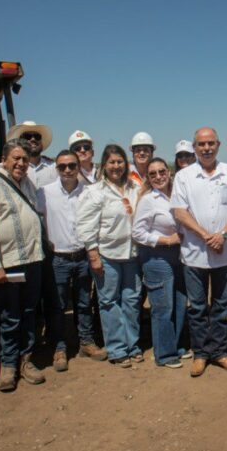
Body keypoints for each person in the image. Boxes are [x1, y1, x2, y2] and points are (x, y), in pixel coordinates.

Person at [171, 127, 227, 377]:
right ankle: (201, 354)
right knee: (197, 307)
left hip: (226, 253)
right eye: (201, 144)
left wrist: (224, 234)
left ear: (218, 144)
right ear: (194, 147)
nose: (206, 148)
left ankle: (219, 352)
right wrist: (206, 235)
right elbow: (179, 212)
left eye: (211, 143)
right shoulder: (184, 176)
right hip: (195, 254)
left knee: (221, 305)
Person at [0, 139, 48, 391]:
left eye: (24, 159)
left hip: (32, 260)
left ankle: (26, 360)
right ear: (4, 159)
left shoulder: (28, 183)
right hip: (7, 263)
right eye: (15, 158)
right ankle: (7, 365)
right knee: (10, 316)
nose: (20, 163)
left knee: (29, 313)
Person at [76, 145, 142, 366]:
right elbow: (85, 225)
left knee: (132, 301)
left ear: (126, 164)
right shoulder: (95, 191)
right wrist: (93, 254)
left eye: (120, 161)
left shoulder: (134, 187)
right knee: (109, 302)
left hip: (132, 254)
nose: (116, 166)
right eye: (112, 162)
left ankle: (133, 345)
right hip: (107, 255)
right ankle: (117, 349)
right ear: (104, 165)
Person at [42, 150, 108, 369]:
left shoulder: (89, 192)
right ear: (56, 169)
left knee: (83, 302)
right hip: (58, 258)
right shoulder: (44, 193)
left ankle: (86, 342)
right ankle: (59, 348)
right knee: (57, 305)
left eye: (72, 165)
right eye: (62, 166)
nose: (68, 170)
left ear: (79, 166)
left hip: (82, 255)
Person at [133, 158, 187, 368]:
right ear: (147, 177)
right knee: (163, 307)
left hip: (179, 256)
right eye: (152, 174)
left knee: (180, 303)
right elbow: (137, 232)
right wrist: (165, 240)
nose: (158, 177)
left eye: (161, 171)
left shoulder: (178, 195)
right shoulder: (148, 200)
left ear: (169, 172)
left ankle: (176, 346)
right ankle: (164, 354)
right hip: (156, 257)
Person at [9, 120, 57, 192]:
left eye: (37, 136)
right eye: (27, 136)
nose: (33, 139)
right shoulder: (11, 167)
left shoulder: (54, 167)